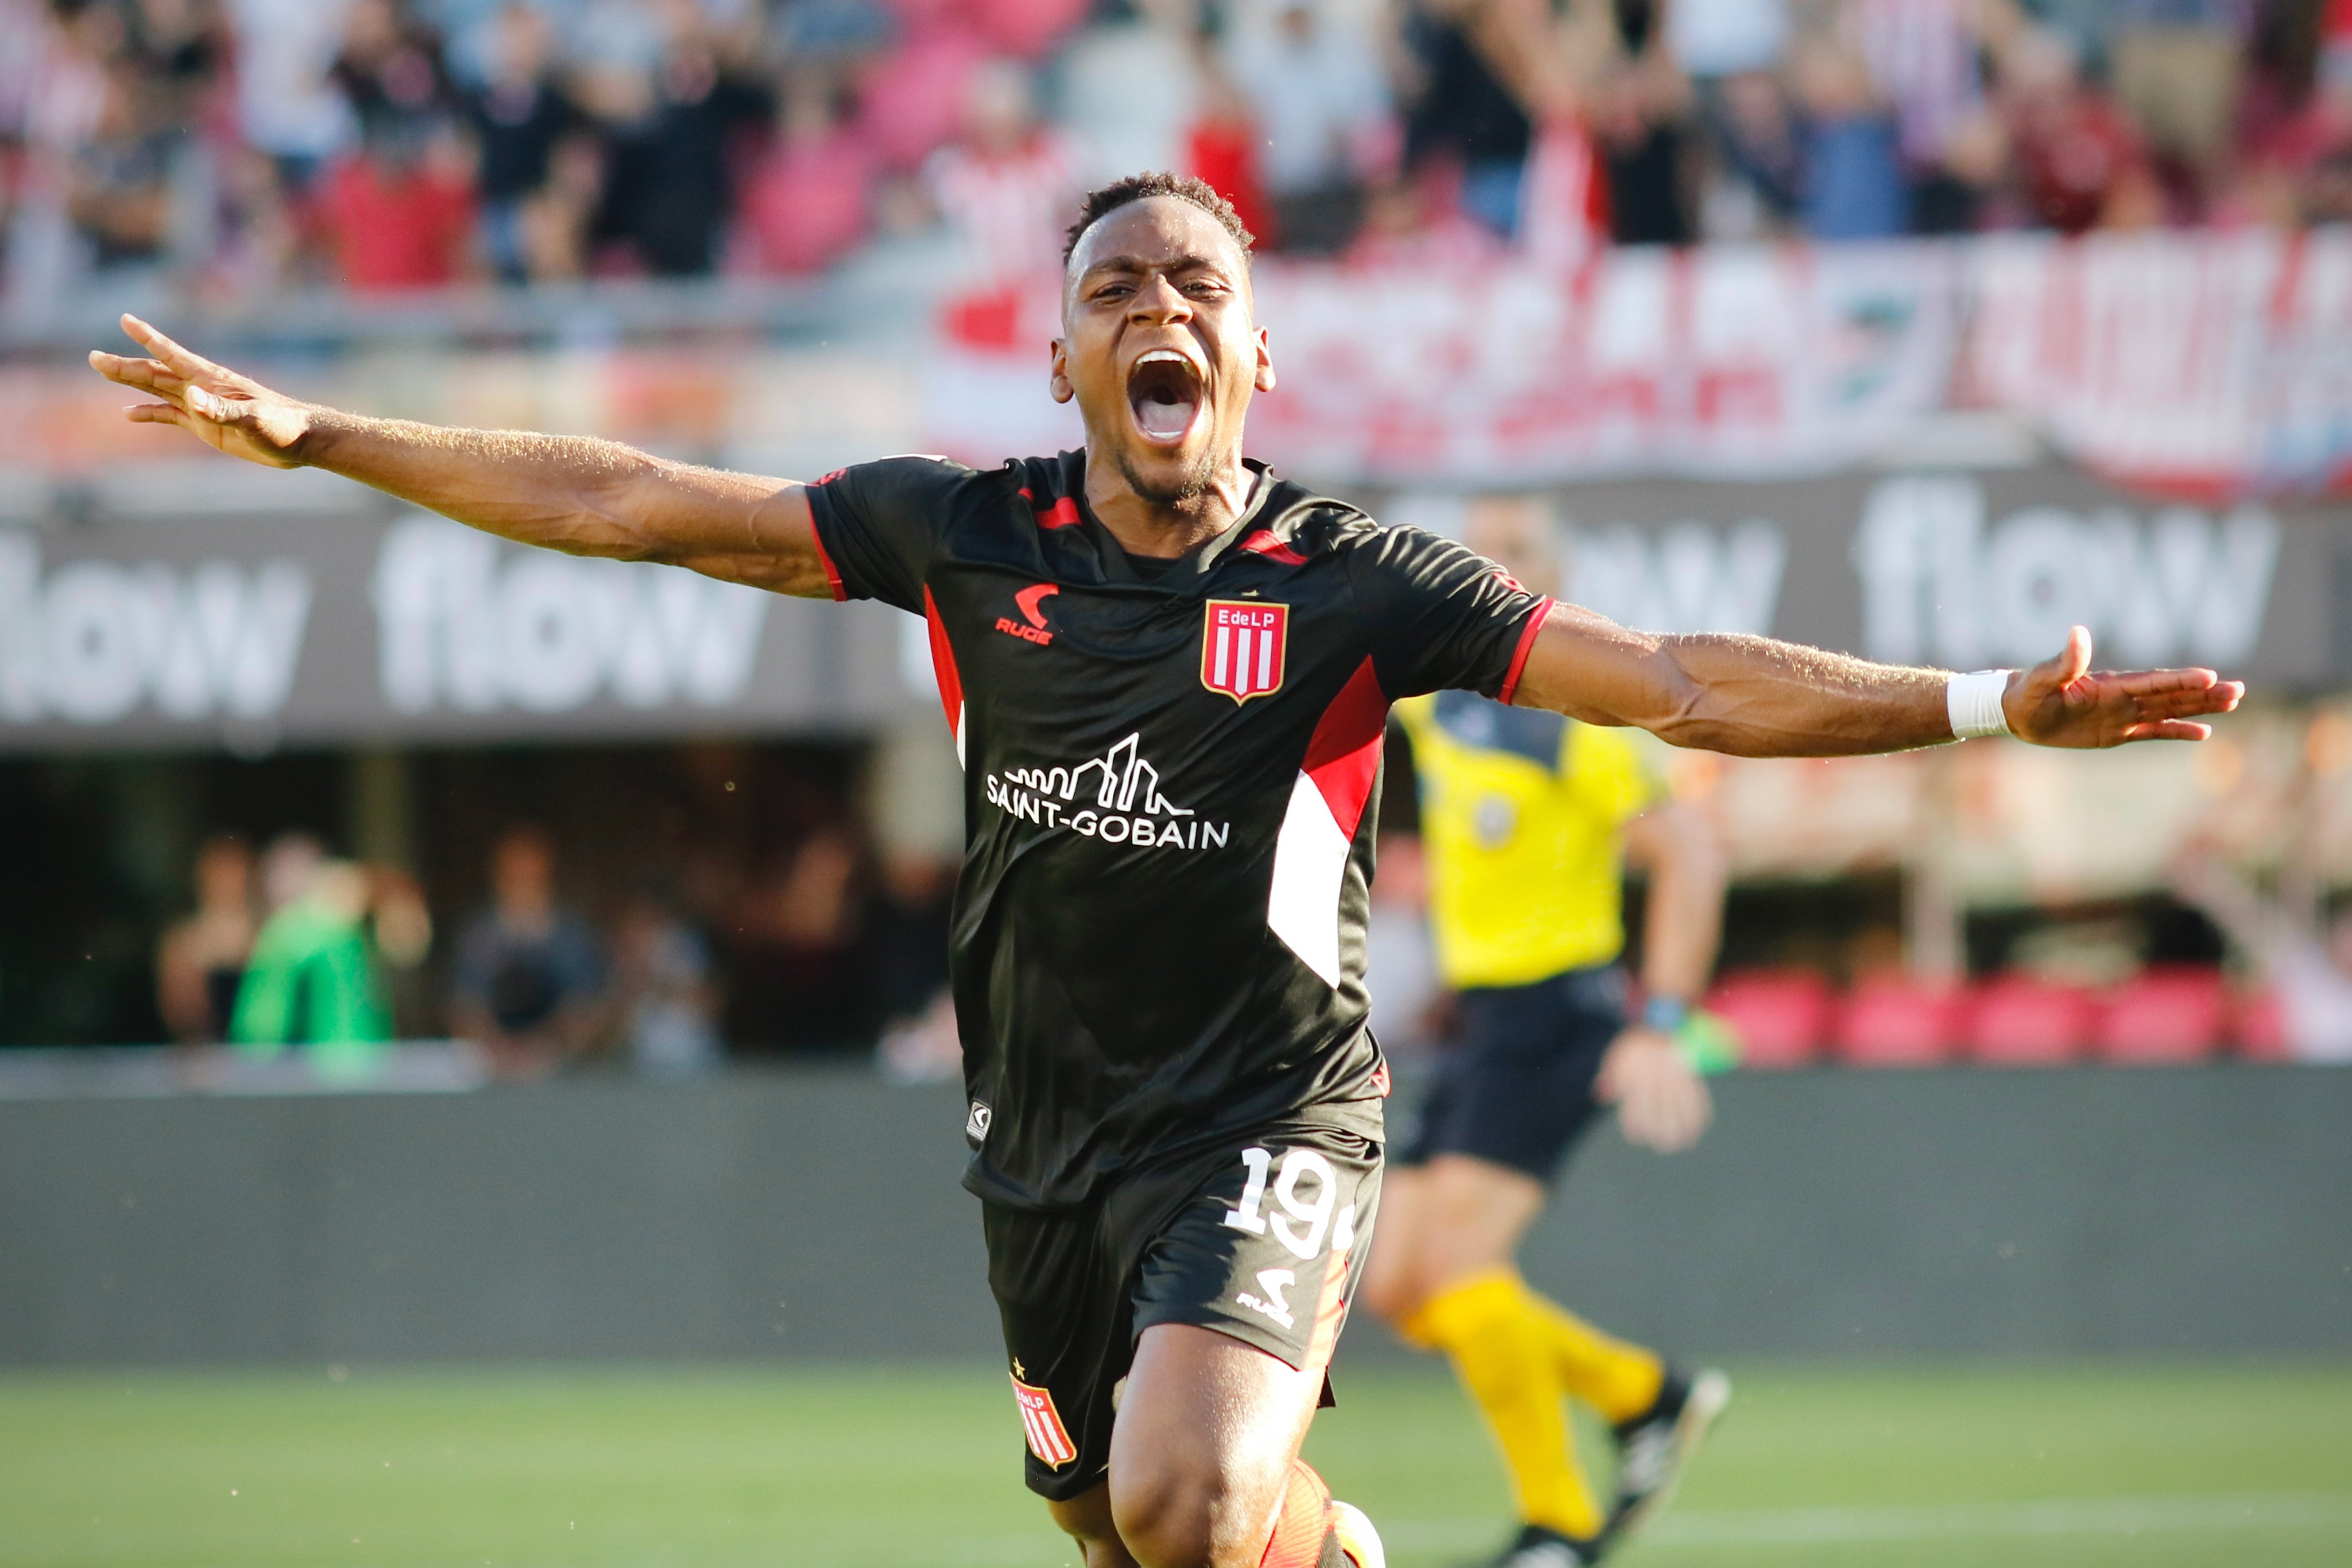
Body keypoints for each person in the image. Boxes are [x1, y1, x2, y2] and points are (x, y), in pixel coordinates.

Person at [90, 170, 2239, 1568]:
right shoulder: (965, 535)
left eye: (1197, 282)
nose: (1156, 306)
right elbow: (633, 501)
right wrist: (321, 430)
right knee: (1133, 1536)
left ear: (1253, 355)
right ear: (1062, 362)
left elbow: (1675, 682)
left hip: (1272, 1106)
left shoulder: (1353, 584)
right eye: (1111, 285)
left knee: (1186, 1492)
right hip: (1041, 1139)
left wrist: (1982, 706)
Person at [1363, 497, 1729, 1568]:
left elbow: (1690, 857)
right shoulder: (1441, 701)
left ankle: (1558, 1523)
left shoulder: (1576, 723)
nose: (1492, 564)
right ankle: (1644, 1394)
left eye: (1517, 551)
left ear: (1555, 581)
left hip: (1559, 1015)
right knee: (1398, 1287)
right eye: (1477, 547)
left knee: (1457, 1273)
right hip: (1483, 1022)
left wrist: (1660, 1023)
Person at [449, 823, 605, 1079]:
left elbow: (587, 1008)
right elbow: (465, 1007)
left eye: (530, 872)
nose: (522, 880)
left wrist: (546, 1048)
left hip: (565, 1075)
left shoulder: (571, 936)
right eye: (512, 873)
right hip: (492, 1074)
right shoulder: (479, 936)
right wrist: (499, 1052)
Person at [156, 832, 257, 1045]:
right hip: (202, 1055)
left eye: (234, 871)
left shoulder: (268, 934)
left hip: (258, 1057)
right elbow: (178, 1016)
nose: (227, 882)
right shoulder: (182, 940)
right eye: (219, 873)